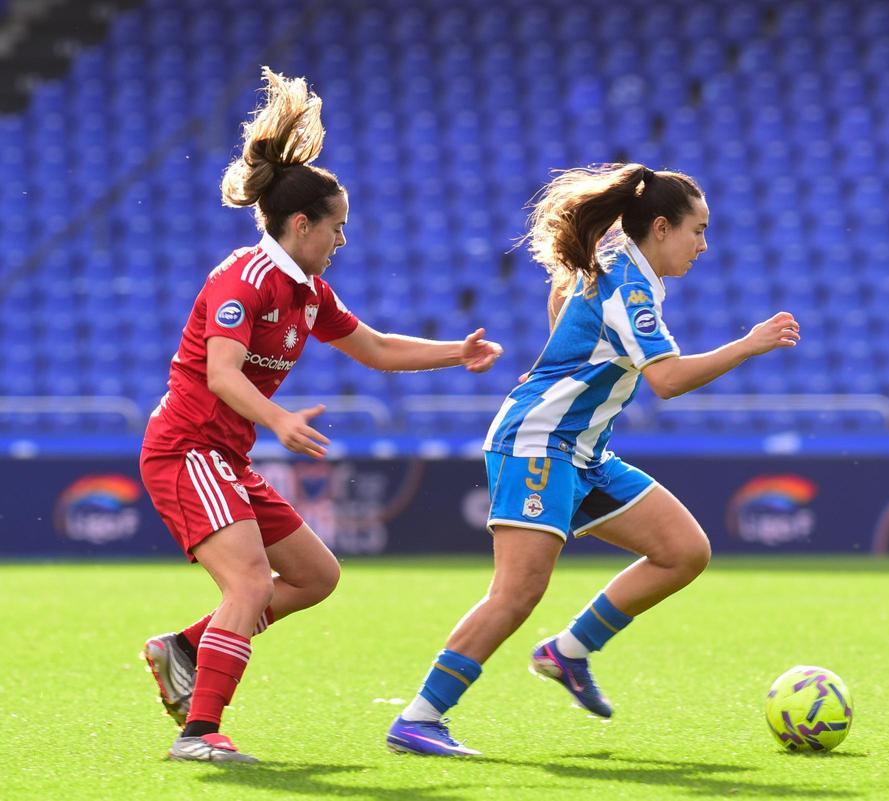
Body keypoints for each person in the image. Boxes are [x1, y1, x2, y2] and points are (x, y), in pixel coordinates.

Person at [138, 67, 502, 764]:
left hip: (225, 455)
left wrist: (457, 351)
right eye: (336, 227)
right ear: (300, 223)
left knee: (316, 575)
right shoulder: (244, 278)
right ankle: (198, 731)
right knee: (247, 583)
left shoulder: (309, 290)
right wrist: (275, 418)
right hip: (187, 448)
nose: (342, 240)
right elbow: (219, 372)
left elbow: (377, 348)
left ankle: (185, 646)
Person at [386, 163, 798, 756]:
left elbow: (563, 296)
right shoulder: (631, 286)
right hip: (538, 446)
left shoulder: (621, 264)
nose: (705, 245)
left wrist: (560, 356)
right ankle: (420, 718)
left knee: (683, 551)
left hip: (582, 452)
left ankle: (567, 652)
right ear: (661, 227)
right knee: (517, 592)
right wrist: (748, 344)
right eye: (698, 230)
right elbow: (666, 380)